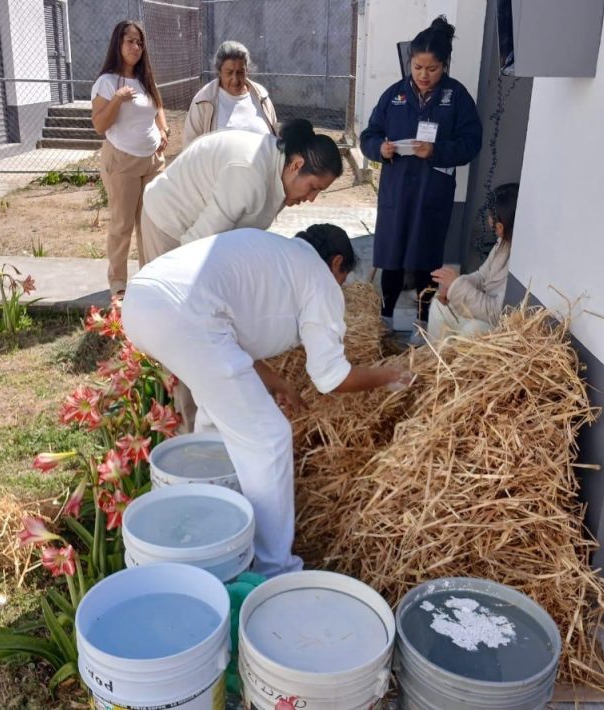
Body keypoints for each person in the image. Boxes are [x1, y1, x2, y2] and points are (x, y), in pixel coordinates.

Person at [121, 225, 412, 577]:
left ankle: (210, 524)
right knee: (269, 437)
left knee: (219, 417)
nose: (339, 288)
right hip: (186, 315)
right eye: (343, 278)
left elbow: (229, 337)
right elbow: (332, 378)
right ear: (336, 263)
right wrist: (389, 374)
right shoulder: (320, 278)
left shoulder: (275, 254)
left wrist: (277, 384)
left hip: (142, 300)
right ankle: (275, 568)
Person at [360, 15, 482, 329]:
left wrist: (437, 150)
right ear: (409, 62)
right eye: (417, 67)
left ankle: (422, 323)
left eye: (432, 68)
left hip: (432, 192)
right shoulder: (394, 96)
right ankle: (385, 320)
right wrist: (380, 150)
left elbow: (471, 143)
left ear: (445, 65)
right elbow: (369, 135)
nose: (423, 75)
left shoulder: (456, 98)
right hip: (397, 189)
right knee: (392, 254)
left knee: (425, 257)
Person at [139, 118, 342, 263]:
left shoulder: (281, 166)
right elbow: (197, 245)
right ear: (296, 165)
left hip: (197, 229)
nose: (312, 198)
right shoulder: (249, 172)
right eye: (313, 188)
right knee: (168, 303)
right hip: (168, 220)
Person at [91, 20, 170, 298]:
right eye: (130, 41)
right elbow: (100, 125)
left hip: (152, 162)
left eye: (139, 42)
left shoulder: (146, 79)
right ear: (118, 44)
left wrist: (163, 129)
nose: (136, 46)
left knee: (150, 224)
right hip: (122, 161)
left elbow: (157, 107)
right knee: (122, 224)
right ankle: (118, 284)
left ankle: (149, 277)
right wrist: (117, 99)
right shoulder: (107, 82)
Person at [428, 182, 519, 342]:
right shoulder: (502, 243)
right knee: (439, 307)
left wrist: (456, 286)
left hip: (497, 324)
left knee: (472, 331)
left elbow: (496, 312)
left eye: (492, 214)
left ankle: (450, 365)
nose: (489, 220)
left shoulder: (522, 259)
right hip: (481, 309)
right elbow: (481, 276)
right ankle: (435, 361)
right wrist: (451, 287)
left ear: (501, 224)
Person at [183, 40, 277, 147]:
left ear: (247, 70)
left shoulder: (261, 97)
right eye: (229, 73)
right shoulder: (204, 101)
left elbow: (274, 139)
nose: (235, 79)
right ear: (219, 71)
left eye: (240, 72)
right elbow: (190, 146)